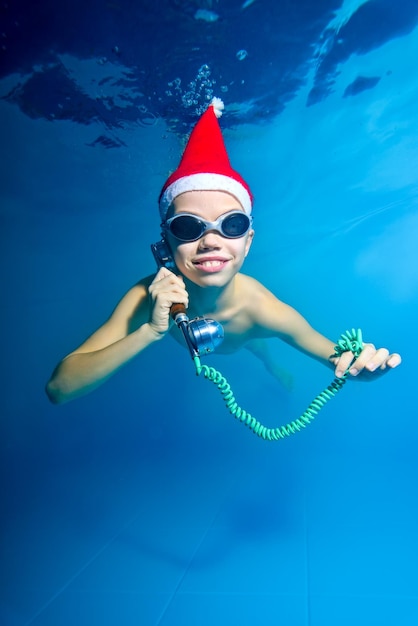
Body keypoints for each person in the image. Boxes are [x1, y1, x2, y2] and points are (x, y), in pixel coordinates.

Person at [46, 98, 401, 405]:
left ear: (248, 241)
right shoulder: (145, 298)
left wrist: (363, 371)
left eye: (231, 225)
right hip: (186, 326)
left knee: (256, 345)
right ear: (165, 244)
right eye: (188, 226)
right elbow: (59, 389)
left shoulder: (266, 311)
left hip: (245, 335)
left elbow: (339, 361)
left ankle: (269, 364)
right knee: (250, 342)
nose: (210, 241)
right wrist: (150, 332)